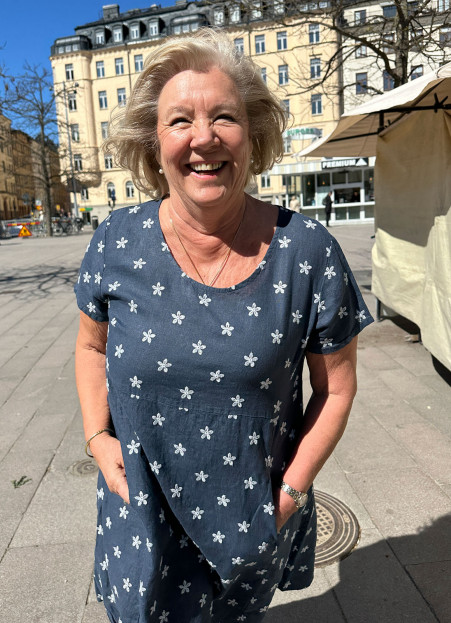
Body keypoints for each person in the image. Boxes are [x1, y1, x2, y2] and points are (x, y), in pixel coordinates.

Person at [75, 29, 373, 623]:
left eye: (224, 117)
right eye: (180, 120)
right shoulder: (116, 242)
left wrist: (290, 495)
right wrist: (96, 438)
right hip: (141, 523)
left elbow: (336, 389)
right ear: (154, 142)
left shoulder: (307, 251)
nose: (203, 138)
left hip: (251, 520)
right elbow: (90, 346)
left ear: (253, 134)